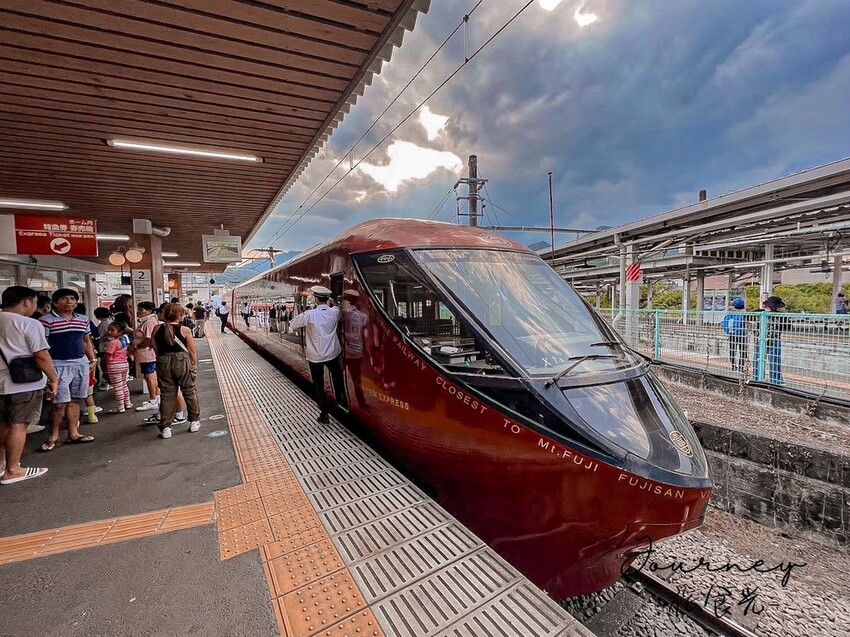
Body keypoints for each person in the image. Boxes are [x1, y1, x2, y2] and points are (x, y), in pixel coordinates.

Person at [0, 286, 58, 484]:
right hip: (23, 383)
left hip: (1, 382)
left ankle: (1, 465)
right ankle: (13, 469)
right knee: (19, 424)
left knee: (2, 423)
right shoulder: (29, 324)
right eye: (34, 301)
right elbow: (41, 355)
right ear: (26, 301)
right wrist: (53, 378)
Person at [38, 288, 97, 451]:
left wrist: (92, 359)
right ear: (56, 302)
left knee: (76, 399)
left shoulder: (83, 319)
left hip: (81, 363)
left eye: (73, 298)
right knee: (58, 403)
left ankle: (73, 433)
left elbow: (86, 340)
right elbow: (43, 346)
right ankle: (53, 435)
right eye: (65, 298)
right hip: (58, 364)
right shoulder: (46, 320)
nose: (70, 301)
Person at [290, 285, 345, 423]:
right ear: (327, 299)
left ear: (315, 299)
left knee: (318, 385)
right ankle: (341, 402)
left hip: (315, 357)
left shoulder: (310, 314)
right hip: (333, 353)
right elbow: (339, 308)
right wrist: (333, 302)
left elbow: (293, 325)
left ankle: (324, 414)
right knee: (338, 379)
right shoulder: (334, 312)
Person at [151, 303, 200, 439]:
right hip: (182, 361)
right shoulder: (185, 330)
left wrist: (163, 359)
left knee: (167, 394)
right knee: (189, 391)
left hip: (163, 361)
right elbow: (192, 351)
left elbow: (155, 349)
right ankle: (194, 421)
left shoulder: (156, 328)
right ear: (179, 316)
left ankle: (166, 427)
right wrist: (194, 367)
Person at [129, 301, 160, 412]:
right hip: (144, 354)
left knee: (150, 376)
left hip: (147, 354)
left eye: (142, 310)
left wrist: (136, 347)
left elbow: (149, 339)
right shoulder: (146, 321)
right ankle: (155, 398)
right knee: (149, 376)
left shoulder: (149, 322)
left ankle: (153, 399)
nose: (139, 312)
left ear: (149, 311)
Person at [342, 290, 368, 407]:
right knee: (357, 379)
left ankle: (342, 398)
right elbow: (364, 334)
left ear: (347, 299)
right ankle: (361, 402)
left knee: (339, 375)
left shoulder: (343, 313)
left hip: (344, 351)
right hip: (358, 352)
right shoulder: (363, 316)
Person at [103, 321, 133, 412]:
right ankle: (127, 403)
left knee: (117, 387)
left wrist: (105, 364)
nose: (109, 332)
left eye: (112, 330)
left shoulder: (113, 343)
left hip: (114, 366)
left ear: (120, 332)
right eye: (109, 330)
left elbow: (108, 355)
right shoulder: (124, 341)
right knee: (123, 384)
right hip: (124, 364)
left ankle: (120, 407)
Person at [763, 295, 788, 385]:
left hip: (762, 340)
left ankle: (759, 378)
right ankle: (776, 380)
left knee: (761, 360)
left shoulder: (761, 313)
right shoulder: (780, 315)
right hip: (773, 339)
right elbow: (787, 327)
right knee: (774, 360)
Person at [721, 297, 748, 374]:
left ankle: (733, 366)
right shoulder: (744, 314)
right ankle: (740, 368)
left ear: (734, 306)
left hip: (732, 335)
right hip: (742, 335)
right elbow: (747, 325)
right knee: (743, 352)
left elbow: (723, 324)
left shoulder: (730, 314)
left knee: (732, 351)